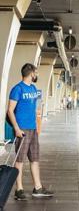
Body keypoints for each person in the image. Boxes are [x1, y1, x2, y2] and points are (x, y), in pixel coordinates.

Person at [7, 63, 54, 200]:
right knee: (20, 160)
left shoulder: (33, 88)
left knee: (35, 158)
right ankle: (19, 189)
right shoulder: (17, 89)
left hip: (33, 129)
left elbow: (35, 108)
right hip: (22, 129)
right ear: (31, 73)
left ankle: (37, 188)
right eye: (36, 72)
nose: (37, 75)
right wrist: (16, 128)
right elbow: (10, 110)